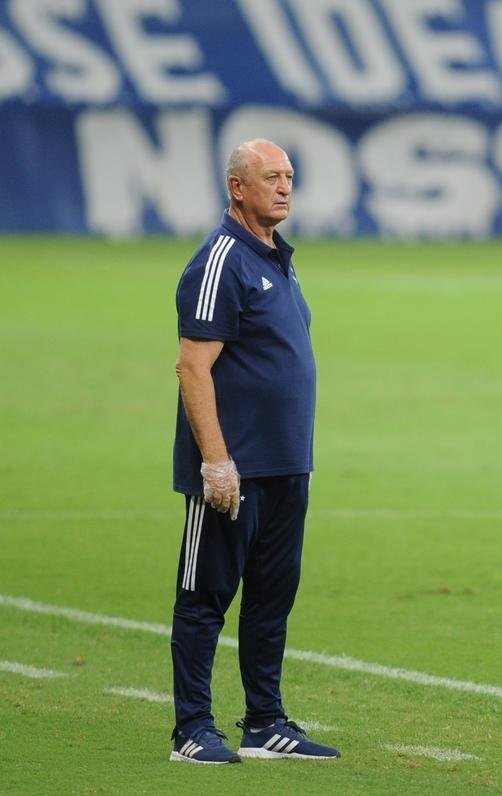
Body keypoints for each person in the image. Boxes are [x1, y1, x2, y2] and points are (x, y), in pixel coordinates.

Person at [167, 139, 339, 764]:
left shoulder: (279, 258)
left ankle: (264, 721)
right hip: (233, 472)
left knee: (272, 597)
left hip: (288, 465)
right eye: (272, 176)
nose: (286, 186)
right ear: (238, 186)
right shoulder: (219, 261)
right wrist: (216, 460)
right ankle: (191, 728)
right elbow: (193, 366)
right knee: (204, 598)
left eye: (290, 176)